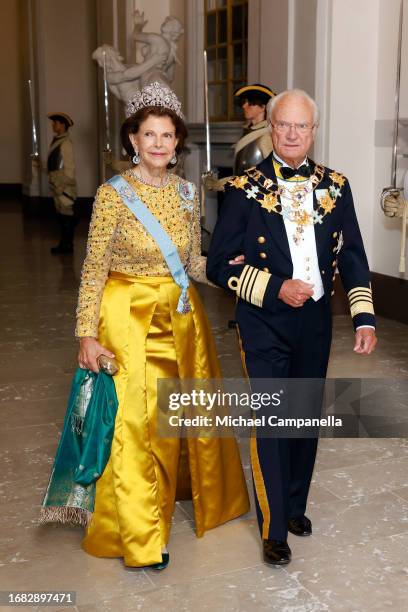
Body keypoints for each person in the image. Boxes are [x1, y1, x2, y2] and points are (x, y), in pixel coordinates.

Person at [75, 82, 249, 569]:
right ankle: (141, 534)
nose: (157, 143)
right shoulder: (112, 195)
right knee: (134, 425)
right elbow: (93, 267)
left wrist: (226, 270)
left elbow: (191, 260)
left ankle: (184, 496)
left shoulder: (188, 193)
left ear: (177, 143)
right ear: (133, 139)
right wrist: (86, 334)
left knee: (175, 418)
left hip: (180, 316)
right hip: (126, 314)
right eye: (148, 134)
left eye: (167, 136)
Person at [206, 89, 377, 566]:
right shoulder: (243, 189)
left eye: (302, 126)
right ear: (271, 128)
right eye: (284, 125)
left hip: (316, 321)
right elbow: (218, 265)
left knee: (303, 418)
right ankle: (273, 524)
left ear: (314, 131)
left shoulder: (336, 185)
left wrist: (363, 317)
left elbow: (355, 257)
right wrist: (275, 287)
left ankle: (295, 505)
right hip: (263, 320)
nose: (293, 133)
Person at [204, 84, 275, 193]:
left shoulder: (266, 136)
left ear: (263, 107)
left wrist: (223, 184)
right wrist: (219, 184)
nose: (244, 106)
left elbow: (270, 176)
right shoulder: (250, 133)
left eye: (250, 103)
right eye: (244, 102)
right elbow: (241, 175)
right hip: (243, 195)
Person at [47, 112, 77, 254]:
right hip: (56, 182)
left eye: (56, 123)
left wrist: (63, 185)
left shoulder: (65, 143)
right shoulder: (57, 140)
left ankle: (67, 245)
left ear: (63, 125)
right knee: (61, 214)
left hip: (63, 184)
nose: (53, 125)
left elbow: (70, 168)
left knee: (66, 213)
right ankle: (64, 243)